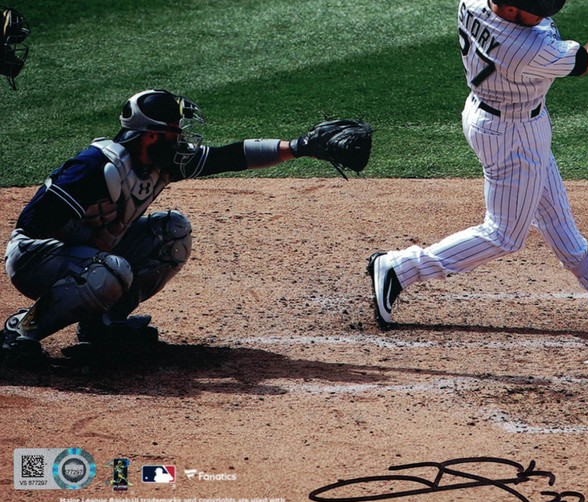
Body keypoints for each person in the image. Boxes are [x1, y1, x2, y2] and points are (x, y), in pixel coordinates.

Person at [368, 0, 588, 330]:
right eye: (535, 11)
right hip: (510, 133)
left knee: (556, 216)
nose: (543, 16)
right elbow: (584, 61)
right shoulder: (522, 47)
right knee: (504, 235)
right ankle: (399, 268)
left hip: (503, 118)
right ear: (511, 9)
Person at [2, 90, 370, 367]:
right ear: (150, 136)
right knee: (109, 269)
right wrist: (88, 238)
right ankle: (22, 331)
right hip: (37, 259)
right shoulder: (95, 167)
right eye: (174, 132)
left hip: (89, 258)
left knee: (172, 233)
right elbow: (32, 224)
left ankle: (104, 325)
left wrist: (299, 147)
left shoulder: (165, 163)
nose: (182, 139)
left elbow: (231, 156)